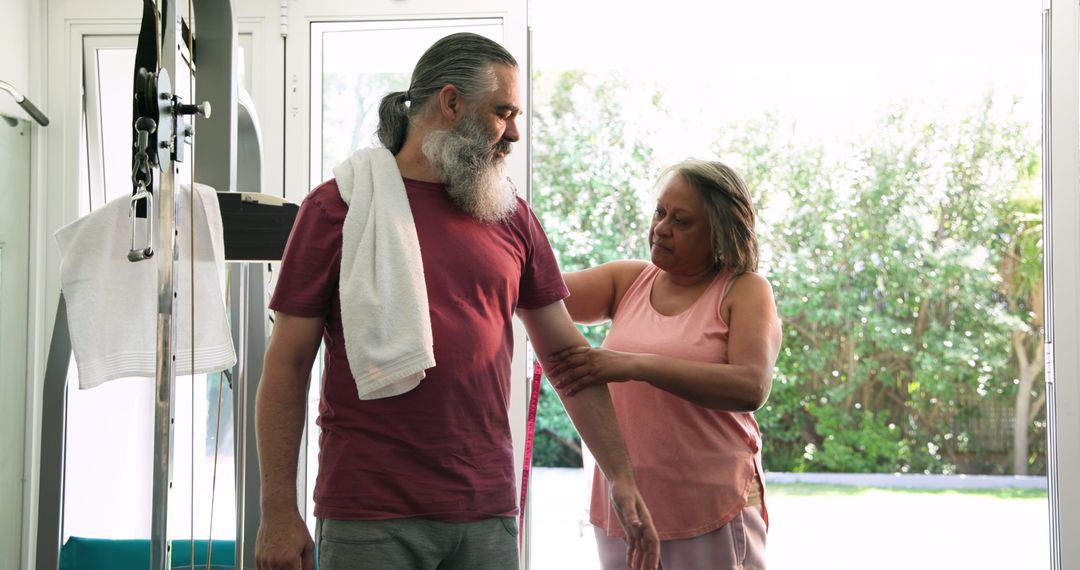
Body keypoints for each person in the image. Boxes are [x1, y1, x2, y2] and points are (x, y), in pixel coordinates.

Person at [253, 33, 659, 570]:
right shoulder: (338, 208)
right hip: (368, 512)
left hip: (486, 513)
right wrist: (277, 510)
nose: (514, 133)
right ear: (450, 102)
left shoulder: (513, 217)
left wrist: (620, 475)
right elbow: (287, 365)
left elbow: (567, 358)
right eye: (503, 112)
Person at [546, 159, 781, 570]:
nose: (661, 228)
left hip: (709, 504)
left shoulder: (744, 290)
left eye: (682, 221)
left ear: (719, 232)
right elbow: (538, 292)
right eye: (660, 212)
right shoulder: (628, 281)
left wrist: (634, 365)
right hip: (626, 505)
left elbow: (751, 386)